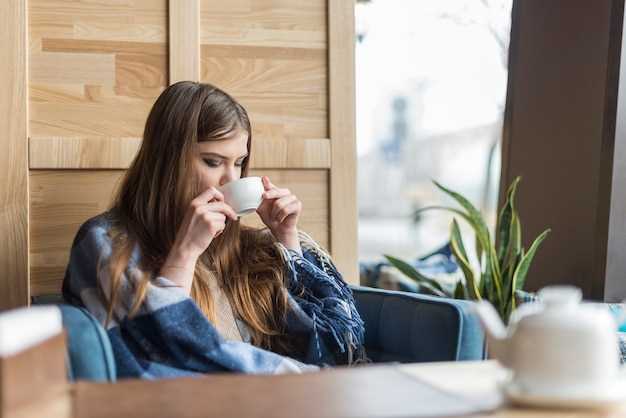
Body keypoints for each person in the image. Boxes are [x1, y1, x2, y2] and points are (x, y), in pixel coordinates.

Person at [62, 81, 366, 378]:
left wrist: (286, 239)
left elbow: (337, 345)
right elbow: (162, 355)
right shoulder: (106, 242)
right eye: (212, 161)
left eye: (239, 162)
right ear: (167, 162)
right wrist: (184, 255)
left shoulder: (247, 248)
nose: (230, 178)